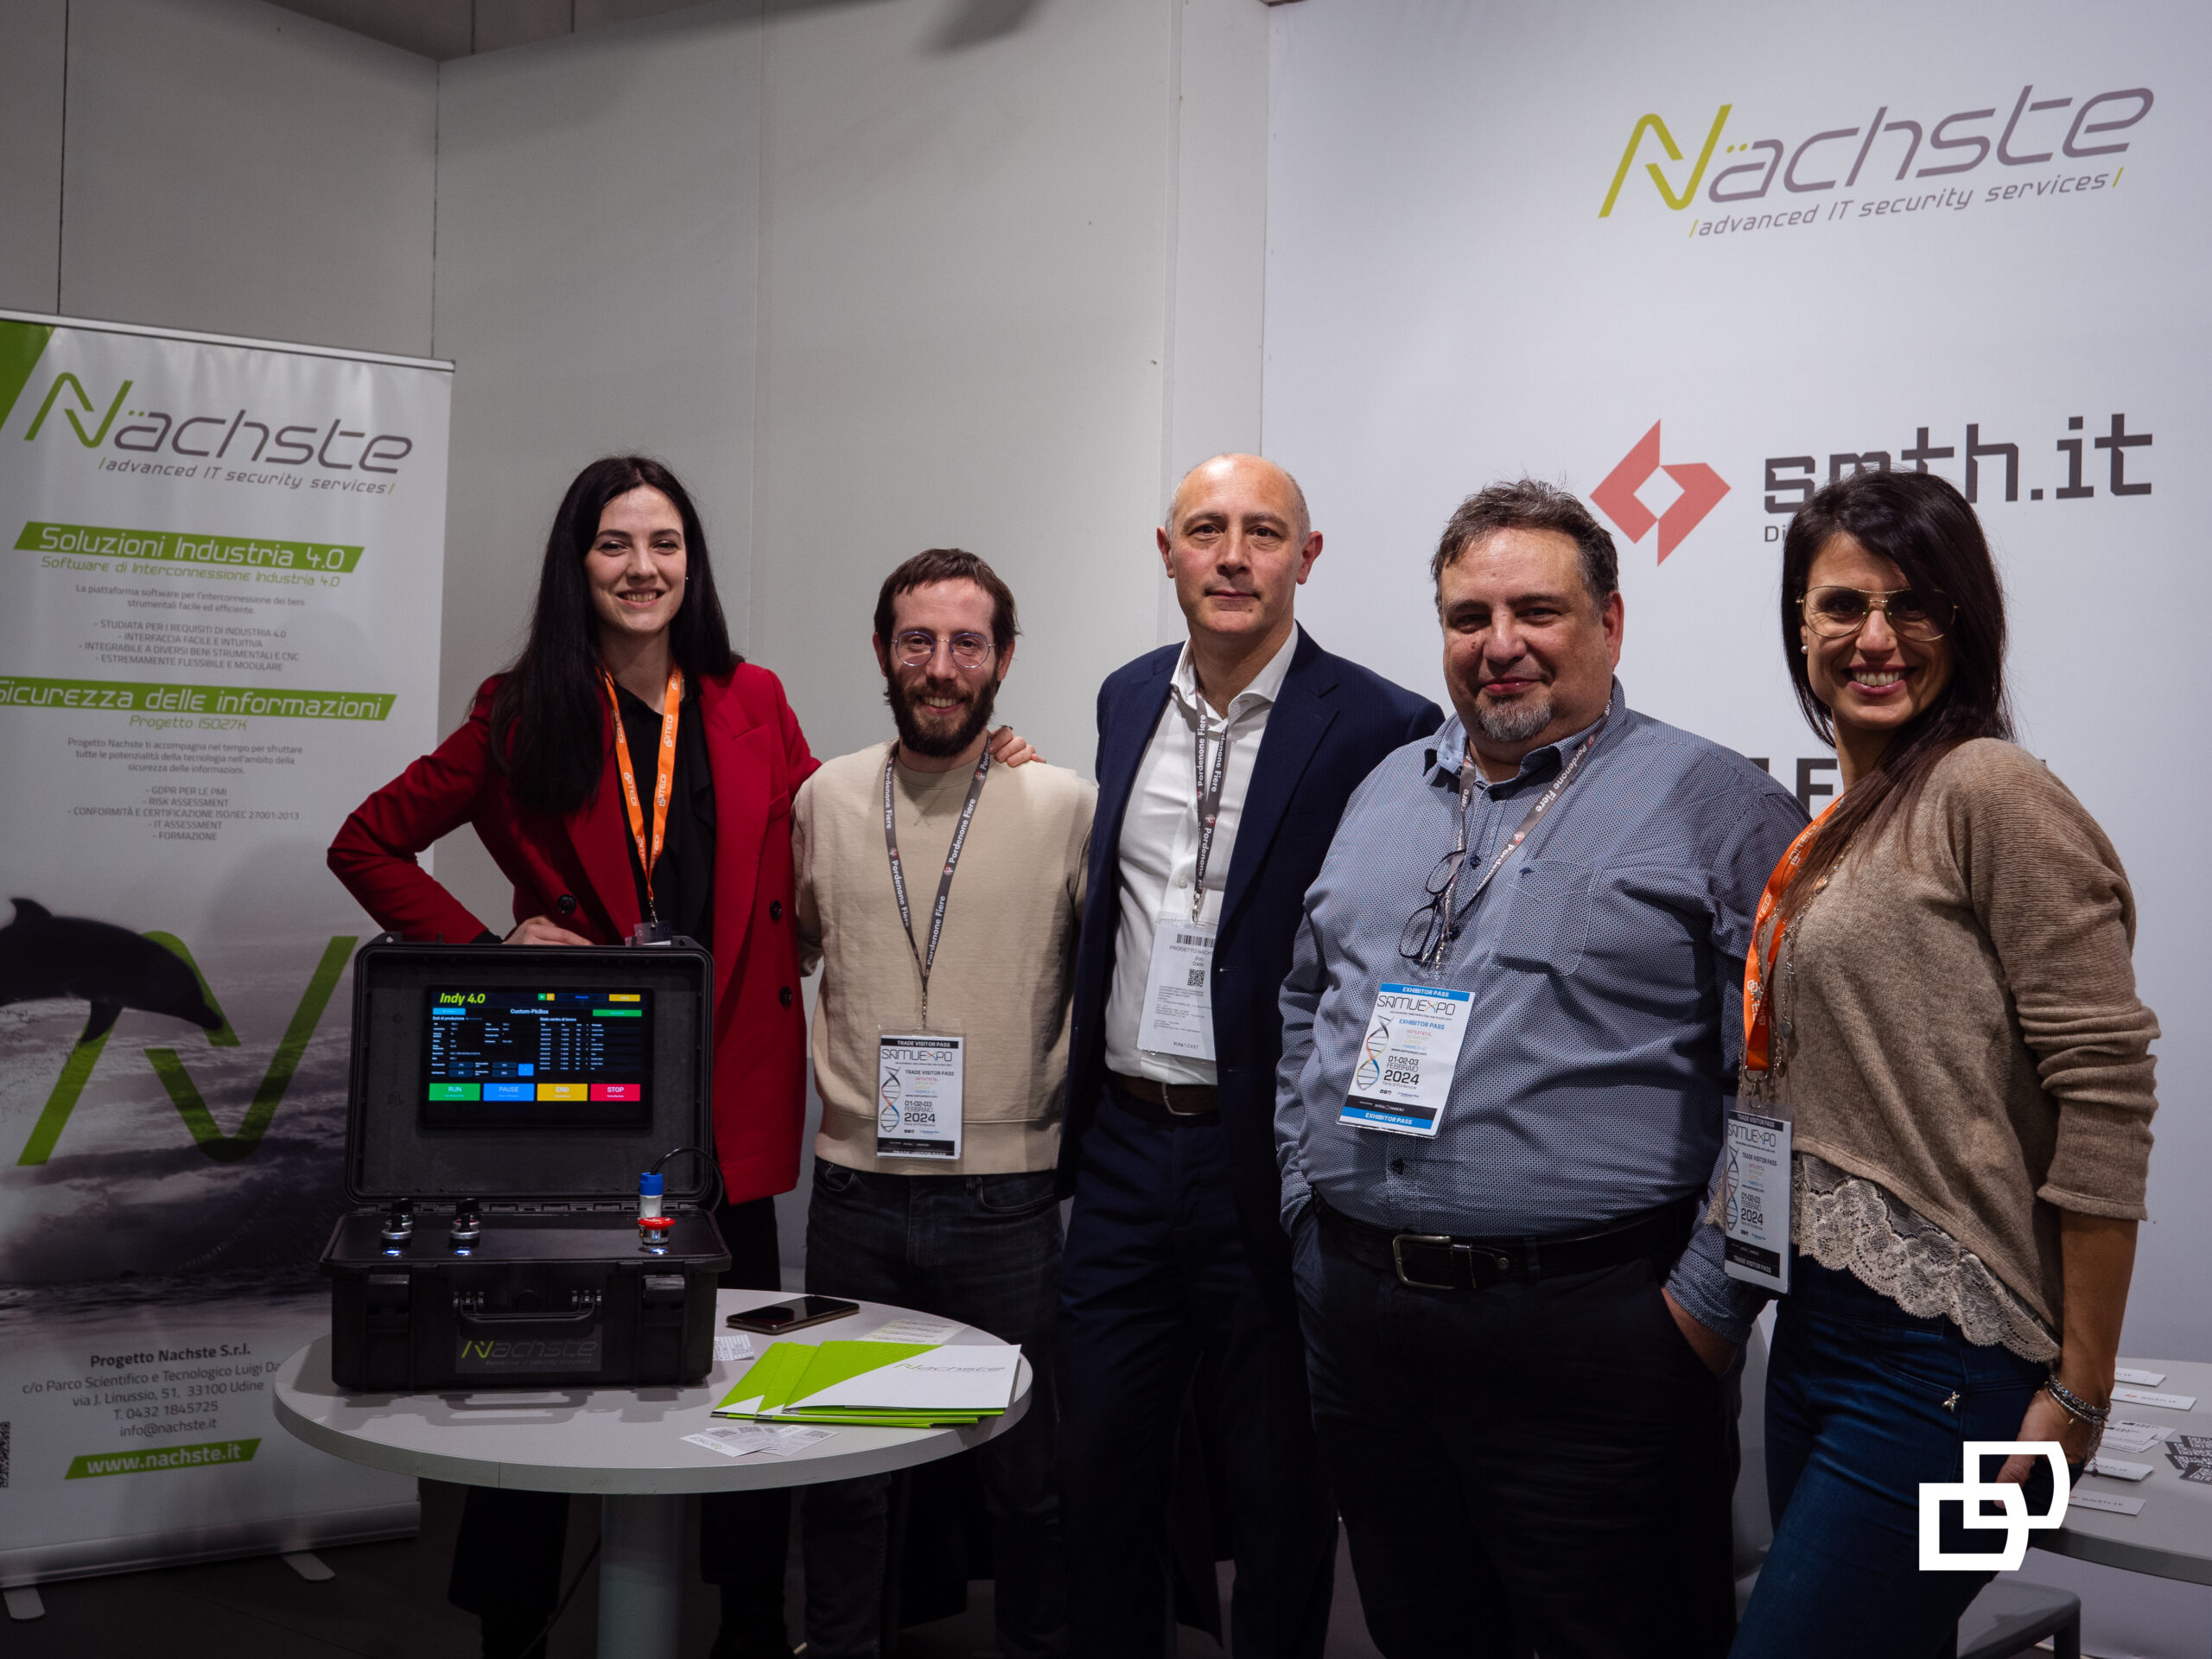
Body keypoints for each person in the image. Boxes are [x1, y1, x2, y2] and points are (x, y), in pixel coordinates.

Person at [327, 456, 1030, 1659]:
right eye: (615, 544)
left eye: (664, 545)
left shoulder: (751, 697)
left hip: (728, 1086)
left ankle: (749, 1620)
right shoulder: (518, 709)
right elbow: (367, 843)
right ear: (579, 563)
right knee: (535, 1361)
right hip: (578, 1089)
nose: (641, 568)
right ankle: (512, 1625)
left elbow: (834, 831)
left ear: (691, 566)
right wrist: (493, 948)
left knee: (736, 1368)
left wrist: (976, 771)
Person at [1274, 478, 1807, 1659]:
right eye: (1469, 617)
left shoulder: (1717, 805)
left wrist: (1709, 1308)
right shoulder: (1383, 792)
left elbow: (1789, 1091)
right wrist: (1304, 1207)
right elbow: (1306, 1000)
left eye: (1536, 612)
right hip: (1366, 1327)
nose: (1499, 644)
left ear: (1609, 623)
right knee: (1420, 1633)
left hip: (1598, 1335)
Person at [1730, 469, 2158, 1657]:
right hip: (1819, 1338)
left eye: (1913, 605)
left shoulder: (1991, 788)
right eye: (1841, 606)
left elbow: (2107, 1089)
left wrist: (2081, 1390)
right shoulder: (1844, 818)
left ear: (1965, 623)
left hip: (1959, 1370)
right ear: (1800, 625)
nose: (1874, 639)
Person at [1056, 453, 1442, 1659]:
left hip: (1266, 1159)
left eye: (1264, 532)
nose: (1233, 557)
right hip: (1123, 1146)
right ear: (1166, 552)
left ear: (1306, 558)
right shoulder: (1125, 697)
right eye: (1207, 530)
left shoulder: (1381, 725)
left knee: (1280, 1485)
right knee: (1098, 1466)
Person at [792, 548, 1091, 1659]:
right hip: (854, 1194)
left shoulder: (1064, 804)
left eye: (968, 643)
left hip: (1007, 1202)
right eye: (917, 640)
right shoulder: (823, 797)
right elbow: (794, 946)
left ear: (1003, 660)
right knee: (839, 1471)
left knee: (1029, 1482)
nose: (940, 666)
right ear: (882, 651)